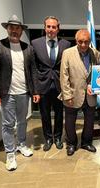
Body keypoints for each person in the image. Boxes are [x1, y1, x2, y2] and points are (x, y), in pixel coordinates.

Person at [0, 15, 40, 171]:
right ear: (7, 28)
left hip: (24, 92)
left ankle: (22, 144)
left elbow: (33, 71)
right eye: (11, 27)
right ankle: (10, 154)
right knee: (8, 124)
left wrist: (35, 91)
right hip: (7, 93)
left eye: (17, 28)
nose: (14, 30)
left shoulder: (28, 48)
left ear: (21, 30)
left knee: (23, 121)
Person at [32, 16, 71, 151]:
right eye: (48, 26)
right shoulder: (35, 43)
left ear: (58, 29)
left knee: (60, 113)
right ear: (44, 28)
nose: (51, 29)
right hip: (43, 85)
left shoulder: (66, 44)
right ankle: (48, 138)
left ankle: (58, 137)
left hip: (60, 85)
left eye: (54, 27)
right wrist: (35, 89)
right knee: (45, 114)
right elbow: (34, 67)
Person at [59, 29, 100, 156]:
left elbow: (98, 74)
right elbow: (63, 75)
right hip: (72, 94)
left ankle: (86, 142)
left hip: (90, 94)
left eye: (86, 42)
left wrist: (94, 85)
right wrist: (67, 95)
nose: (83, 45)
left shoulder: (96, 53)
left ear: (90, 41)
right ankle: (71, 144)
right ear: (76, 41)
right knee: (70, 122)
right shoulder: (67, 53)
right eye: (80, 42)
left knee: (89, 121)